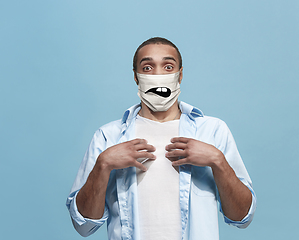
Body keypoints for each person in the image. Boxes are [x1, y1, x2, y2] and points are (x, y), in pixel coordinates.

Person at [66, 37, 256, 240]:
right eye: (147, 68)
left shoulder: (213, 131)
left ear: (180, 74)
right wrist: (103, 165)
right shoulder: (108, 136)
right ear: (136, 77)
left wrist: (218, 161)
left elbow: (242, 217)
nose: (158, 75)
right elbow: (84, 225)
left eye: (168, 66)